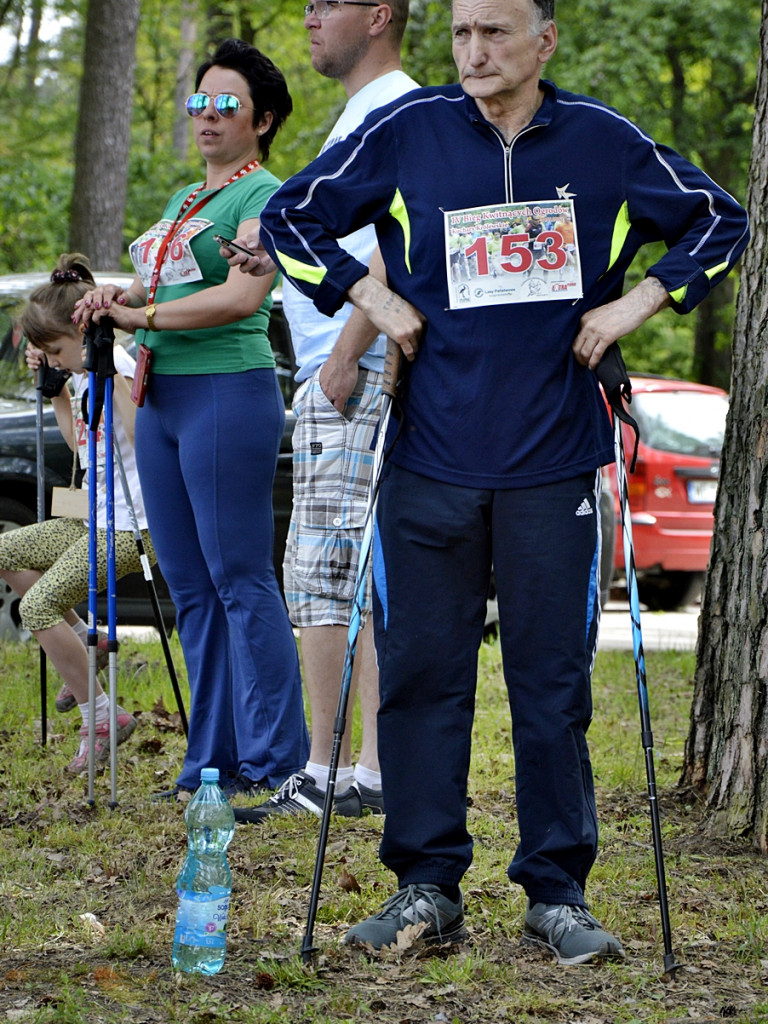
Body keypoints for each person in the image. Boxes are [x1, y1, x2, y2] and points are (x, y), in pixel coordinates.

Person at [232, 0, 749, 962]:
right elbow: (289, 216)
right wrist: (373, 296)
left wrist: (634, 303)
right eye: (464, 33)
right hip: (429, 458)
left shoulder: (603, 141)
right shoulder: (409, 130)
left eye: (496, 33)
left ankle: (558, 893)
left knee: (550, 686)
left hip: (555, 459)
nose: (474, 51)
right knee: (425, 682)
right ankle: (426, 886)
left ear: (544, 41)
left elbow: (722, 221)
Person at [74, 39, 309, 802]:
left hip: (226, 392)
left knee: (241, 577)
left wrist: (147, 314)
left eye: (226, 104)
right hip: (164, 397)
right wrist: (109, 300)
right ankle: (211, 759)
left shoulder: (262, 195)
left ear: (262, 118)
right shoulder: (185, 200)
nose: (207, 116)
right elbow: (147, 284)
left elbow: (243, 300)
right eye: (199, 102)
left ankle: (276, 757)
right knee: (190, 586)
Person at [225, 0, 418, 824]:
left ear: (378, 15)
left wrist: (346, 354)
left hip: (354, 367)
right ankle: (364, 770)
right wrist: (279, 255)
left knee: (323, 576)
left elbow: (402, 238)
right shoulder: (362, 113)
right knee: (347, 576)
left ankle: (330, 770)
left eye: (325, 3)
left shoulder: (395, 106)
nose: (307, 17)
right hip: (341, 363)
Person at [0, 253, 148, 775]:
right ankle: (91, 641)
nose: (55, 359)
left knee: (37, 607)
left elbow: (143, 439)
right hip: (94, 517)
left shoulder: (119, 368)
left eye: (57, 350)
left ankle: (104, 717)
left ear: (84, 334)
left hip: (135, 526)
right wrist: (61, 388)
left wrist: (111, 374)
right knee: (5, 551)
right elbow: (82, 448)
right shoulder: (81, 376)